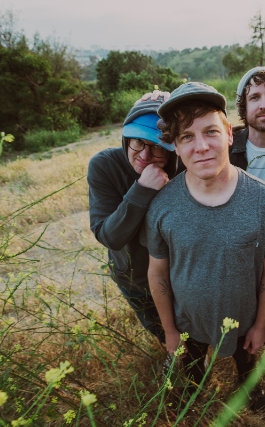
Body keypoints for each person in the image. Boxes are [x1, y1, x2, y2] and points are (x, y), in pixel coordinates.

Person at [141, 82, 265, 410]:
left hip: (243, 320)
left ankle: (247, 385)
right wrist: (170, 331)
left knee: (245, 359)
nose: (201, 147)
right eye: (187, 137)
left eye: (210, 131)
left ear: (228, 134)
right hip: (188, 322)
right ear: (175, 147)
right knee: (193, 365)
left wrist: (259, 325)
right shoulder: (161, 206)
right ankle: (195, 388)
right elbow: (157, 273)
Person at [87, 96, 177, 343]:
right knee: (162, 332)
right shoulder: (104, 166)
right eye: (138, 142)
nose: (145, 155)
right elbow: (109, 237)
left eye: (157, 146)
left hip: (179, 275)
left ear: (172, 149)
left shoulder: (183, 167)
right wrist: (142, 189)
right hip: (134, 279)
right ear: (126, 138)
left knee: (190, 330)